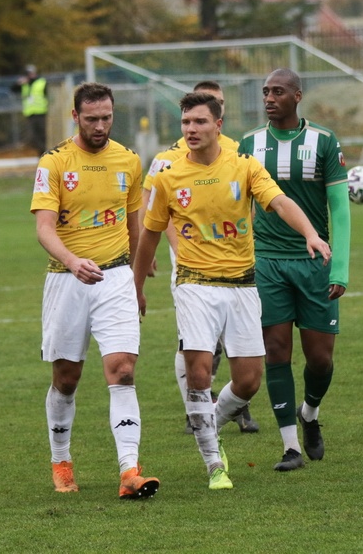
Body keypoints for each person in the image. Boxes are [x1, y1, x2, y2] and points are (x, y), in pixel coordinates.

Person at [133, 91, 331, 490]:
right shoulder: (170, 176)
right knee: (199, 373)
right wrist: (136, 288)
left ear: (218, 125)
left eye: (200, 122)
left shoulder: (243, 166)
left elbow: (279, 201)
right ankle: (213, 464)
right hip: (194, 286)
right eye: (186, 122)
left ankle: (211, 423)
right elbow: (149, 237)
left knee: (248, 381)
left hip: (242, 286)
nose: (191, 129)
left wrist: (310, 232)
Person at [31, 82, 159, 500]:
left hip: (116, 278)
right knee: (67, 378)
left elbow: (134, 224)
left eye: (106, 117)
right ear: (75, 117)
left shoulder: (128, 160)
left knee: (122, 370)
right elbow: (44, 228)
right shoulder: (54, 163)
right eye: (92, 119)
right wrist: (72, 261)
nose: (101, 125)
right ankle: (61, 461)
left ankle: (129, 471)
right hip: (66, 280)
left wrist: (137, 281)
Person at [238, 68, 350, 472]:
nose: (269, 98)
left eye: (278, 91)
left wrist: (340, 269)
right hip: (267, 261)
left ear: (297, 96)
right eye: (265, 91)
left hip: (314, 263)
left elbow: (339, 209)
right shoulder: (248, 144)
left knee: (320, 359)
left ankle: (310, 414)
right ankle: (289, 446)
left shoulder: (323, 141)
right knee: (276, 351)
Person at [141, 80, 259, 435]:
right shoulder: (165, 161)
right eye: (188, 120)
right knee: (194, 345)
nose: (195, 127)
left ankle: (232, 408)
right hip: (189, 264)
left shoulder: (236, 153)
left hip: (234, 259)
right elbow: (150, 209)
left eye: (217, 106)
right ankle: (196, 411)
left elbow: (247, 203)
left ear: (219, 117)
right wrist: (173, 251)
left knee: (238, 345)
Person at [12, 64, 48, 154]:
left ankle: (44, 153)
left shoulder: (41, 82)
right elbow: (13, 89)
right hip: (30, 114)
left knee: (43, 134)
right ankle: (42, 153)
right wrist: (19, 83)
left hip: (41, 112)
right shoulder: (25, 85)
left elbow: (48, 96)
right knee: (33, 136)